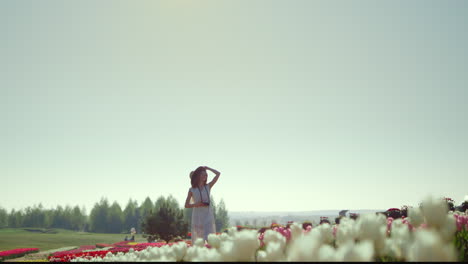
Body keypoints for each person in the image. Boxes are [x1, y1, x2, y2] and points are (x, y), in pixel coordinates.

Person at [184, 166, 221, 244]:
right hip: (198, 217)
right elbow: (186, 205)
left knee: (211, 240)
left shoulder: (208, 186)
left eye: (206, 175)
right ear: (198, 176)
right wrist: (196, 204)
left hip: (208, 216)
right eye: (203, 174)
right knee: (199, 241)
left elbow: (218, 174)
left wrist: (208, 168)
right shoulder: (192, 190)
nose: (205, 176)